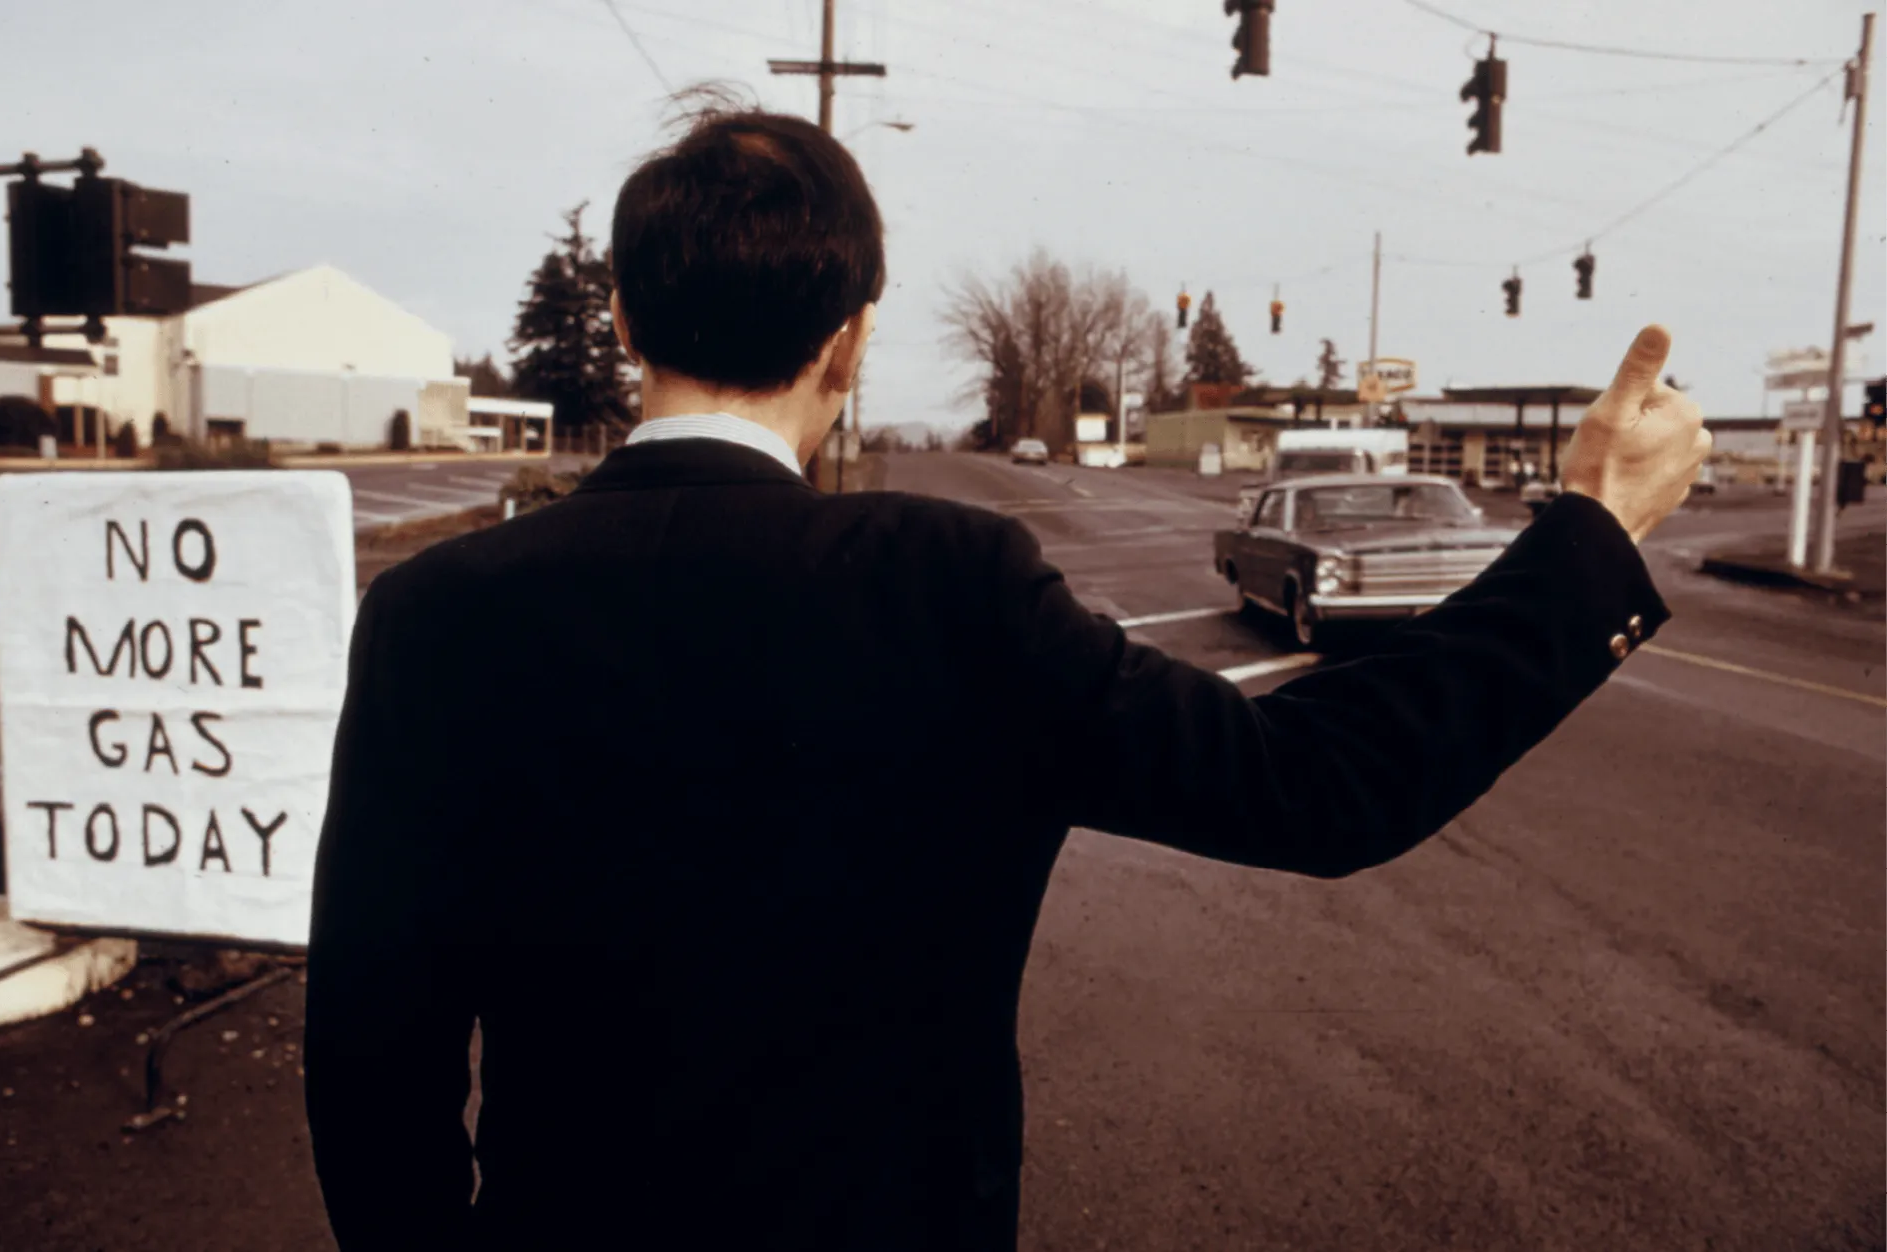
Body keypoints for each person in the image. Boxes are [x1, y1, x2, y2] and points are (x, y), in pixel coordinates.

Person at [303, 104, 1711, 1251]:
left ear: (622, 320)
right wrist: (1589, 538)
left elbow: (373, 1054)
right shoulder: (950, 585)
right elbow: (1317, 784)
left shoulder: (437, 615)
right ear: (850, 339)